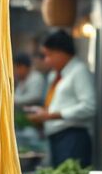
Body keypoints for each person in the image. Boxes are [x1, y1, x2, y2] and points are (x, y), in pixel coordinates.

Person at [27, 30, 96, 166]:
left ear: (61, 52)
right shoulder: (56, 75)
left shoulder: (79, 71)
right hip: (57, 137)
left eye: (49, 55)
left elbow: (90, 107)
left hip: (73, 138)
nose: (46, 60)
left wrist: (52, 116)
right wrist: (43, 112)